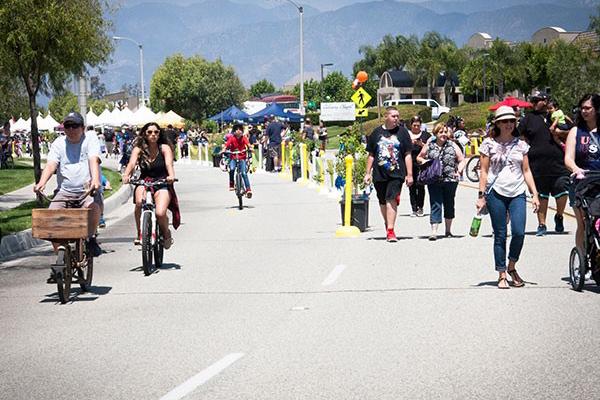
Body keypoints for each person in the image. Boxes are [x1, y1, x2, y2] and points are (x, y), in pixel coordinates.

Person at [477, 106, 540, 289]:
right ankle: (502, 273)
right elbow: (484, 172)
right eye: (505, 121)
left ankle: (512, 266)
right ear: (497, 123)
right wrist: (481, 196)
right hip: (496, 192)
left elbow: (527, 171)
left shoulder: (521, 144)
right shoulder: (489, 144)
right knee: (500, 235)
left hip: (517, 192)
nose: (509, 124)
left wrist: (534, 194)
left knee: (519, 232)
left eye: (512, 121)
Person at [33, 112, 103, 262]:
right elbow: (51, 164)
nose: (71, 129)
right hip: (65, 191)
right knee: (50, 220)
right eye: (67, 126)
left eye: (75, 126)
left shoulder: (90, 138)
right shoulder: (59, 143)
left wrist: (95, 180)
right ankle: (62, 262)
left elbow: (93, 159)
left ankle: (90, 239)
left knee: (94, 207)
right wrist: (41, 182)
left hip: (86, 190)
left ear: (82, 127)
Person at [519, 91, 569, 236]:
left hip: (559, 163)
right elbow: (517, 135)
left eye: (537, 100)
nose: (534, 103)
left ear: (546, 101)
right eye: (533, 100)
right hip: (537, 164)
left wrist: (559, 132)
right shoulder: (528, 119)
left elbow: (572, 131)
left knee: (562, 191)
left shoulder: (558, 115)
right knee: (542, 195)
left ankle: (559, 216)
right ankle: (542, 224)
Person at [122, 122, 177, 248]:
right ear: (144, 134)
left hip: (161, 181)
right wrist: (126, 175)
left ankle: (165, 232)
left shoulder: (164, 148)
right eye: (150, 132)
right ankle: (139, 233)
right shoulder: (139, 149)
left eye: (156, 132)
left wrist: (171, 176)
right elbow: (131, 164)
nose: (153, 135)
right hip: (144, 180)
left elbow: (169, 164)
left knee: (160, 213)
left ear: (159, 134)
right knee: (139, 204)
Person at [364, 107, 413, 242]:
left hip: (397, 173)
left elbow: (408, 154)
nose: (396, 118)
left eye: (397, 116)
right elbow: (371, 155)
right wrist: (367, 173)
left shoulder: (403, 133)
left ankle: (391, 230)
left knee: (391, 198)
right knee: (382, 201)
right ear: (386, 117)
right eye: (393, 116)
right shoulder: (376, 133)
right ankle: (388, 225)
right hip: (380, 174)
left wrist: (410, 174)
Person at [564, 93, 600, 253]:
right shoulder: (576, 131)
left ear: (597, 109)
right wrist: (576, 169)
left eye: (588, 108)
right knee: (583, 222)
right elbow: (568, 158)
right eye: (582, 108)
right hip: (582, 182)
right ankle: (582, 257)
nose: (584, 111)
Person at [417, 123, 465, 240]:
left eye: (445, 132)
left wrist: (458, 171)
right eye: (440, 132)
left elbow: (461, 160)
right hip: (434, 179)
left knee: (449, 203)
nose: (443, 134)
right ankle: (434, 231)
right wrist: (423, 161)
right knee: (435, 203)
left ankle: (448, 231)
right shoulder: (430, 145)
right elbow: (419, 157)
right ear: (435, 134)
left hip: (450, 179)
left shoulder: (452, 145)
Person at [221, 123, 253, 198]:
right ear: (234, 131)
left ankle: (248, 190)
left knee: (244, 173)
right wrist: (223, 150)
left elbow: (248, 144)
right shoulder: (231, 138)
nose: (238, 131)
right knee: (231, 169)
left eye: (240, 130)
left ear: (242, 131)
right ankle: (231, 184)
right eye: (236, 130)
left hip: (242, 158)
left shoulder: (244, 138)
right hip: (233, 158)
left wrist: (250, 148)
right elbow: (226, 145)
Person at [407, 116, 430, 217]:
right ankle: (414, 208)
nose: (416, 127)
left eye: (418, 125)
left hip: (421, 163)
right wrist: (409, 143)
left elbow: (431, 147)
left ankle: (420, 207)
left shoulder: (426, 135)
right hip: (409, 163)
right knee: (411, 186)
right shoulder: (406, 135)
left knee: (420, 186)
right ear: (411, 125)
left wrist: (422, 144)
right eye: (414, 125)